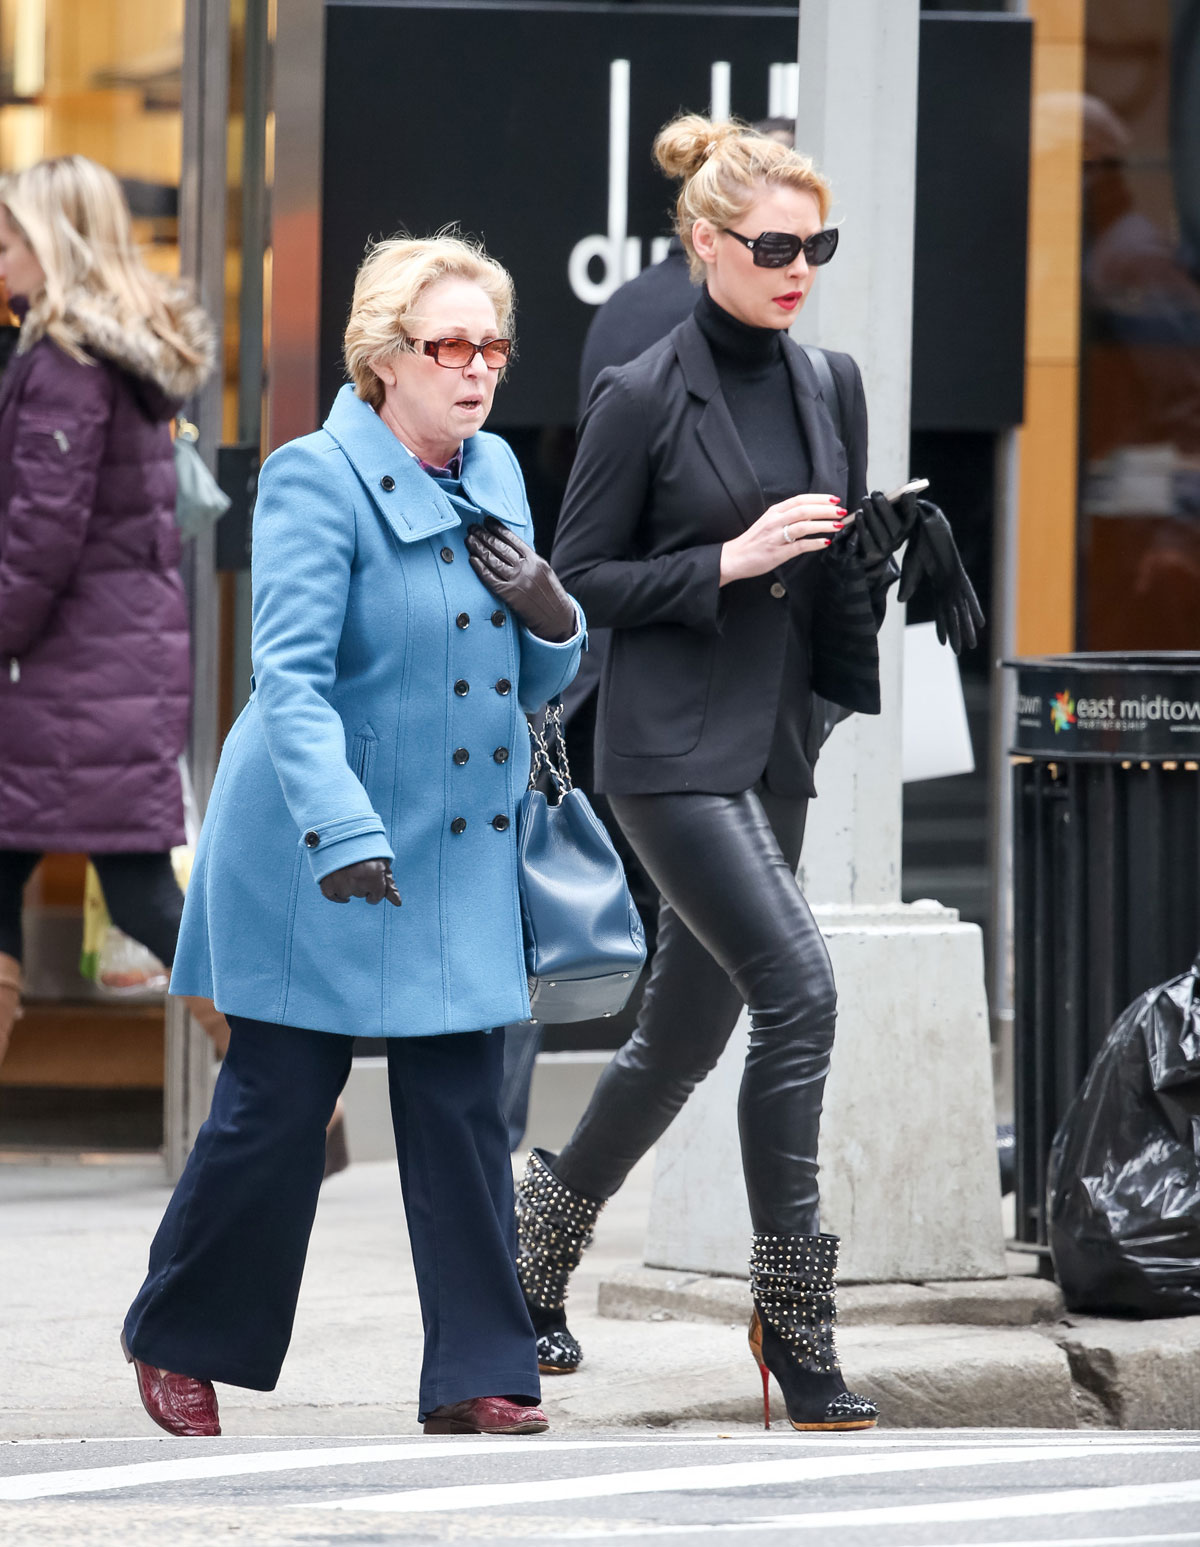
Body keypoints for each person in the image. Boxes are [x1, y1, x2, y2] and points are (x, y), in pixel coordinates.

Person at [121, 234, 584, 1439]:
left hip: (458, 848)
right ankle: (178, 1333)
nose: (478, 371)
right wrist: (342, 829)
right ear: (386, 359)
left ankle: (480, 1367)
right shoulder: (313, 476)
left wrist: (554, 613)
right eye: (451, 347)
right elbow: (291, 681)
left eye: (493, 347)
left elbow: (533, 676)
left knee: (462, 1105)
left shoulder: (496, 474)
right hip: (314, 836)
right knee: (278, 1100)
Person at [515, 114, 909, 1434]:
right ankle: (793, 1317)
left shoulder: (831, 380)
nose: (800, 267)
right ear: (706, 244)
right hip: (666, 746)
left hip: (774, 737)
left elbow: (831, 554)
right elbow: (579, 585)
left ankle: (536, 1245)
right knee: (798, 988)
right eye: (776, 244)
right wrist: (730, 560)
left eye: (818, 244)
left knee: (688, 1023)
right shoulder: (640, 388)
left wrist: (880, 548)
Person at [0, 156, 219, 1070]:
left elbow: (38, 538)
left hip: (68, 675)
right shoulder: (108, 357)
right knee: (116, 889)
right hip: (101, 669)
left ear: (57, 243)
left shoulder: (64, 367)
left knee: (140, 896)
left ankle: (289, 1083)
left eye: (10, 236)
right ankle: (291, 1088)